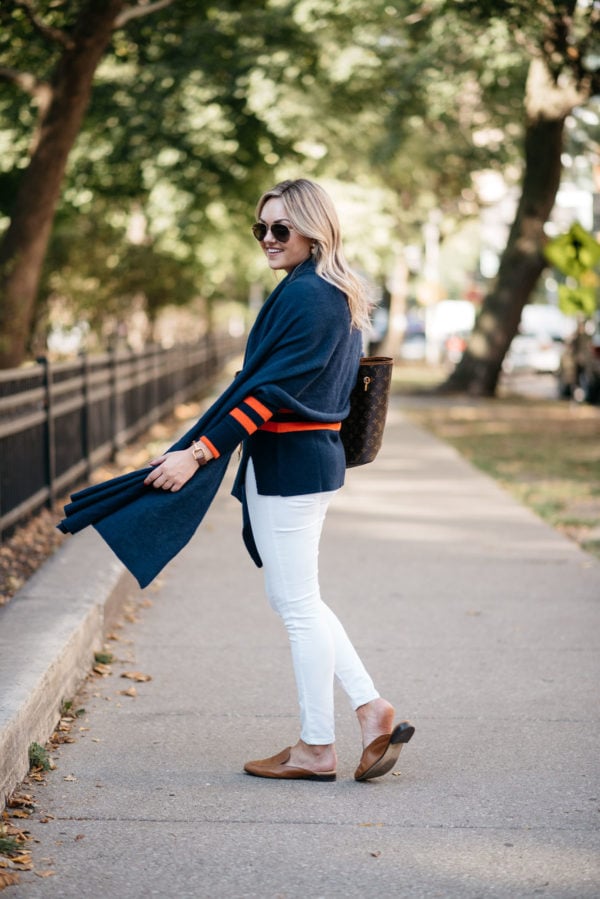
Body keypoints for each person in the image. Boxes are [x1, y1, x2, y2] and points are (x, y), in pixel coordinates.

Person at [142, 178, 414, 781]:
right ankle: (371, 710)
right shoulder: (323, 289)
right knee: (296, 600)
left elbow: (268, 392)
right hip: (301, 463)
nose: (268, 238)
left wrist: (200, 451)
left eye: (281, 229)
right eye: (261, 228)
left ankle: (318, 747)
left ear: (315, 230)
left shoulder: (311, 295)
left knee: (295, 606)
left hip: (292, 464)